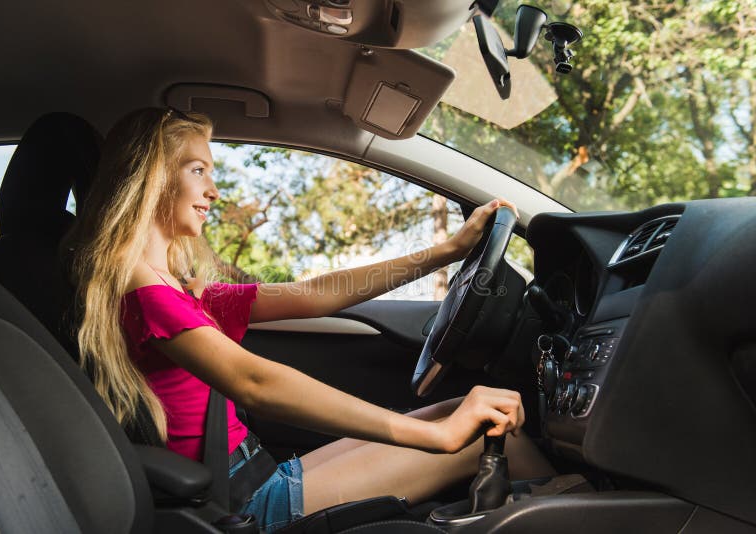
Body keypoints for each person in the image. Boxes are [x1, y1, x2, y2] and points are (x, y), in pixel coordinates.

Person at [68, 107, 547, 532]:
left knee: (468, 408)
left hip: (251, 472)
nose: (213, 190)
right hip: (239, 503)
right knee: (485, 431)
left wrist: (446, 252)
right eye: (198, 170)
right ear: (151, 176)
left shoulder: (179, 287)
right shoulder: (141, 290)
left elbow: (316, 294)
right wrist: (429, 437)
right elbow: (253, 382)